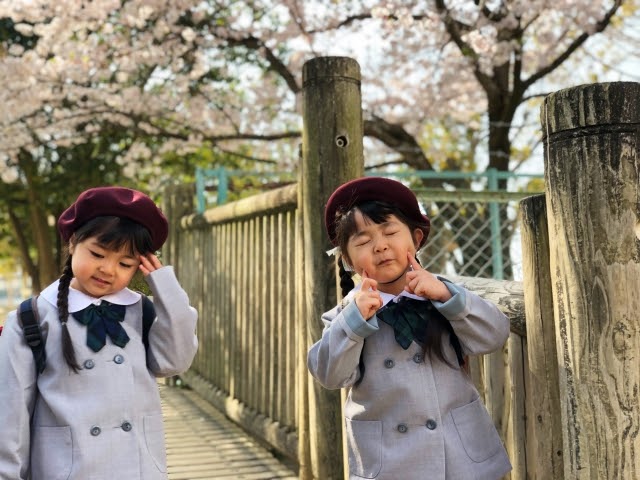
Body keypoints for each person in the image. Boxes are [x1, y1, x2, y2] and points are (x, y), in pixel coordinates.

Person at [307, 177, 512, 480]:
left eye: (390, 231)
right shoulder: (345, 315)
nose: (381, 246)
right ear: (347, 260)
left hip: (459, 458)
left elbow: (494, 335)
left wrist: (447, 297)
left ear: (416, 239)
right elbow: (328, 373)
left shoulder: (442, 294)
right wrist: (354, 321)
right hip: (390, 464)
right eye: (363, 242)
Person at [0, 186, 198, 480]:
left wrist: (165, 287)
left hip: (139, 469)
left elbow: (174, 362)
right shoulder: (32, 319)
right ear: (73, 243)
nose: (108, 269)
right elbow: (10, 416)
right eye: (97, 253)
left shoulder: (141, 312)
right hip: (67, 471)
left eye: (125, 263)